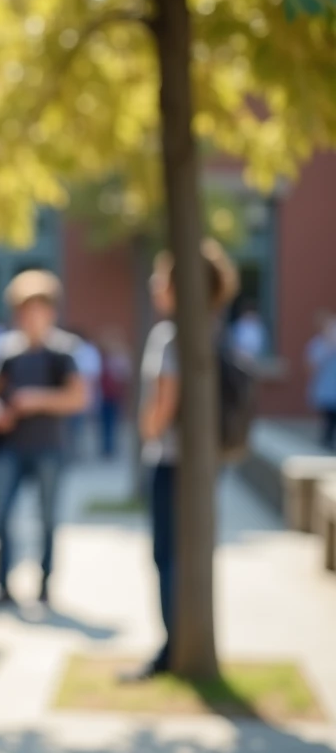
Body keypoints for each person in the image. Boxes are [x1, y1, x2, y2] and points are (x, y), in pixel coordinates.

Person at [128, 238, 238, 680]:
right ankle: (183, 644)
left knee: (166, 556)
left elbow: (160, 409)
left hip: (171, 461)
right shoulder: (213, 329)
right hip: (209, 463)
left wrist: (147, 427)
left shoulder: (170, 334)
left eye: (161, 277)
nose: (155, 283)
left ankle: (172, 649)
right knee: (192, 553)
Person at [0, 270, 88, 604]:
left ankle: (45, 584)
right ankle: (3, 584)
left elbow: (79, 398)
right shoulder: (6, 350)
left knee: (48, 519)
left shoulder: (63, 352)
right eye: (24, 310)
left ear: (50, 311)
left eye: (37, 309)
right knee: (0, 515)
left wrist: (35, 399)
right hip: (10, 448)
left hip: (49, 448)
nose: (30, 317)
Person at [68, 327, 102, 459]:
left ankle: (76, 453)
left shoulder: (86, 351)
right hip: (73, 396)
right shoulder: (73, 350)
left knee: (79, 427)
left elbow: (91, 376)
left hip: (82, 395)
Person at [98, 328, 132, 459]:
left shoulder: (120, 357)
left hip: (115, 396)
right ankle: (106, 447)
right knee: (105, 423)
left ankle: (111, 448)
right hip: (105, 395)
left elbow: (125, 376)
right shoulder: (103, 357)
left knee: (113, 423)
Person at [306, 310, 336, 451]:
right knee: (329, 415)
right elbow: (311, 365)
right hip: (326, 386)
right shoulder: (318, 344)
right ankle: (326, 440)